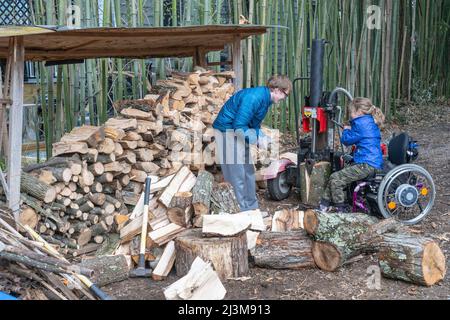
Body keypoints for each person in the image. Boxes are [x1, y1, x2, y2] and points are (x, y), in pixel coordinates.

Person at [213, 75, 292, 212]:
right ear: (277, 90)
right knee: (236, 173)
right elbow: (239, 125)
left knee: (248, 170)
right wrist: (255, 139)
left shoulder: (265, 99)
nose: (284, 99)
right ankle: (240, 209)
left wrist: (261, 135)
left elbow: (254, 123)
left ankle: (251, 207)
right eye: (285, 95)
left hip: (239, 130)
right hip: (227, 130)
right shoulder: (254, 97)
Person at [320, 97, 385, 213]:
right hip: (369, 161)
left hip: (367, 165)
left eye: (351, 112)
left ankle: (341, 208)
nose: (350, 115)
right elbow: (359, 135)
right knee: (335, 176)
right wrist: (350, 129)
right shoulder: (368, 122)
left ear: (359, 111)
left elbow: (346, 140)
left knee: (336, 178)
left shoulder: (361, 124)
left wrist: (345, 130)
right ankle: (323, 205)